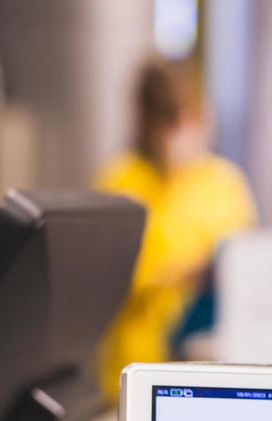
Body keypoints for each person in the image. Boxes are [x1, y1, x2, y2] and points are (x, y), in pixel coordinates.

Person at [94, 60, 256, 400]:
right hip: (136, 370)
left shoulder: (224, 182)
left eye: (188, 119)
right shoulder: (121, 181)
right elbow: (105, 279)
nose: (181, 133)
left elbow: (249, 265)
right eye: (169, 122)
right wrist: (179, 272)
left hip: (211, 371)